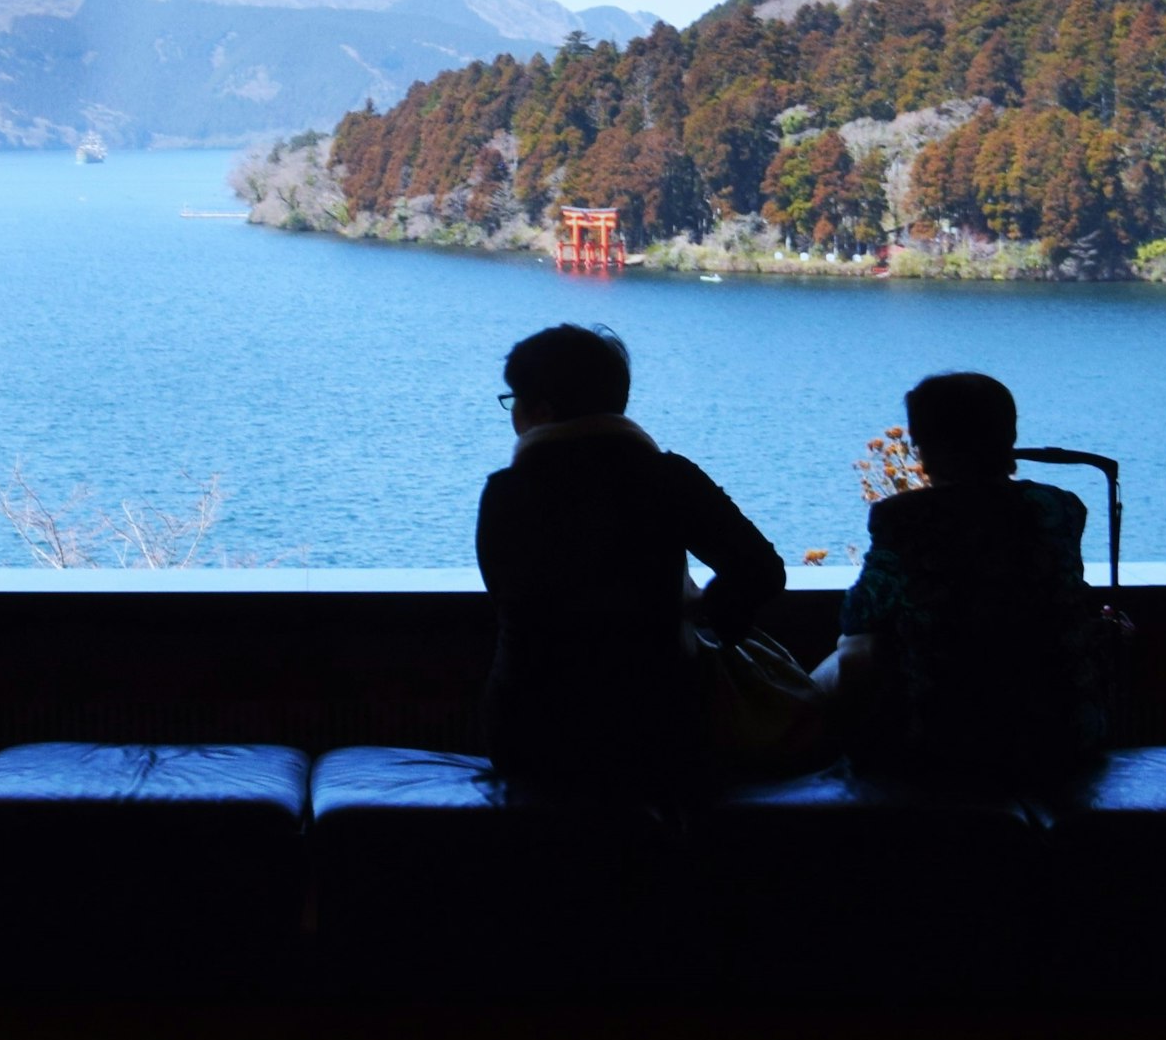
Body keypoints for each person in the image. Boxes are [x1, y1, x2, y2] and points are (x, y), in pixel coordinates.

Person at [473, 323, 786, 802]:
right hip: (659, 729)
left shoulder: (505, 494)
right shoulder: (668, 478)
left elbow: (508, 599)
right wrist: (704, 615)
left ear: (541, 412)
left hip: (529, 734)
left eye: (512, 399)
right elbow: (762, 570)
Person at [820, 370, 1107, 789]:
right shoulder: (1059, 508)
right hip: (1065, 734)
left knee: (853, 649)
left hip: (945, 742)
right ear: (1007, 435)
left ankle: (844, 775)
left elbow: (858, 614)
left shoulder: (905, 517)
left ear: (928, 445)